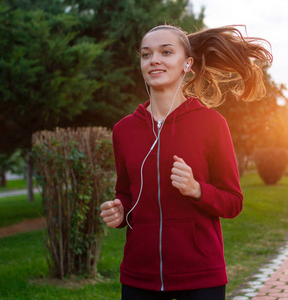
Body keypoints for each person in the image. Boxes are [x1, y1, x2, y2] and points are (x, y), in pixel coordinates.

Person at [99, 24, 273, 300]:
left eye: (166, 52)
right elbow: (126, 194)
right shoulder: (124, 130)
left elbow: (233, 201)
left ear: (187, 64)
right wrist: (120, 212)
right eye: (146, 54)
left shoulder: (212, 124)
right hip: (138, 276)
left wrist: (197, 190)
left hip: (200, 276)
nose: (154, 59)